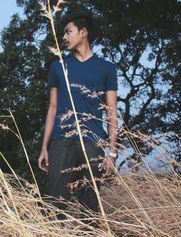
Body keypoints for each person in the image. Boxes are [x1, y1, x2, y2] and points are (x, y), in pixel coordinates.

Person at [38, 11, 118, 213]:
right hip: (61, 141)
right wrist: (44, 147)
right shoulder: (58, 67)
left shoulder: (107, 68)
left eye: (68, 32)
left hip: (93, 142)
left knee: (90, 205)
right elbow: (53, 108)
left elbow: (111, 111)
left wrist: (112, 152)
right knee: (54, 203)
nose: (64, 37)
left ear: (83, 32)